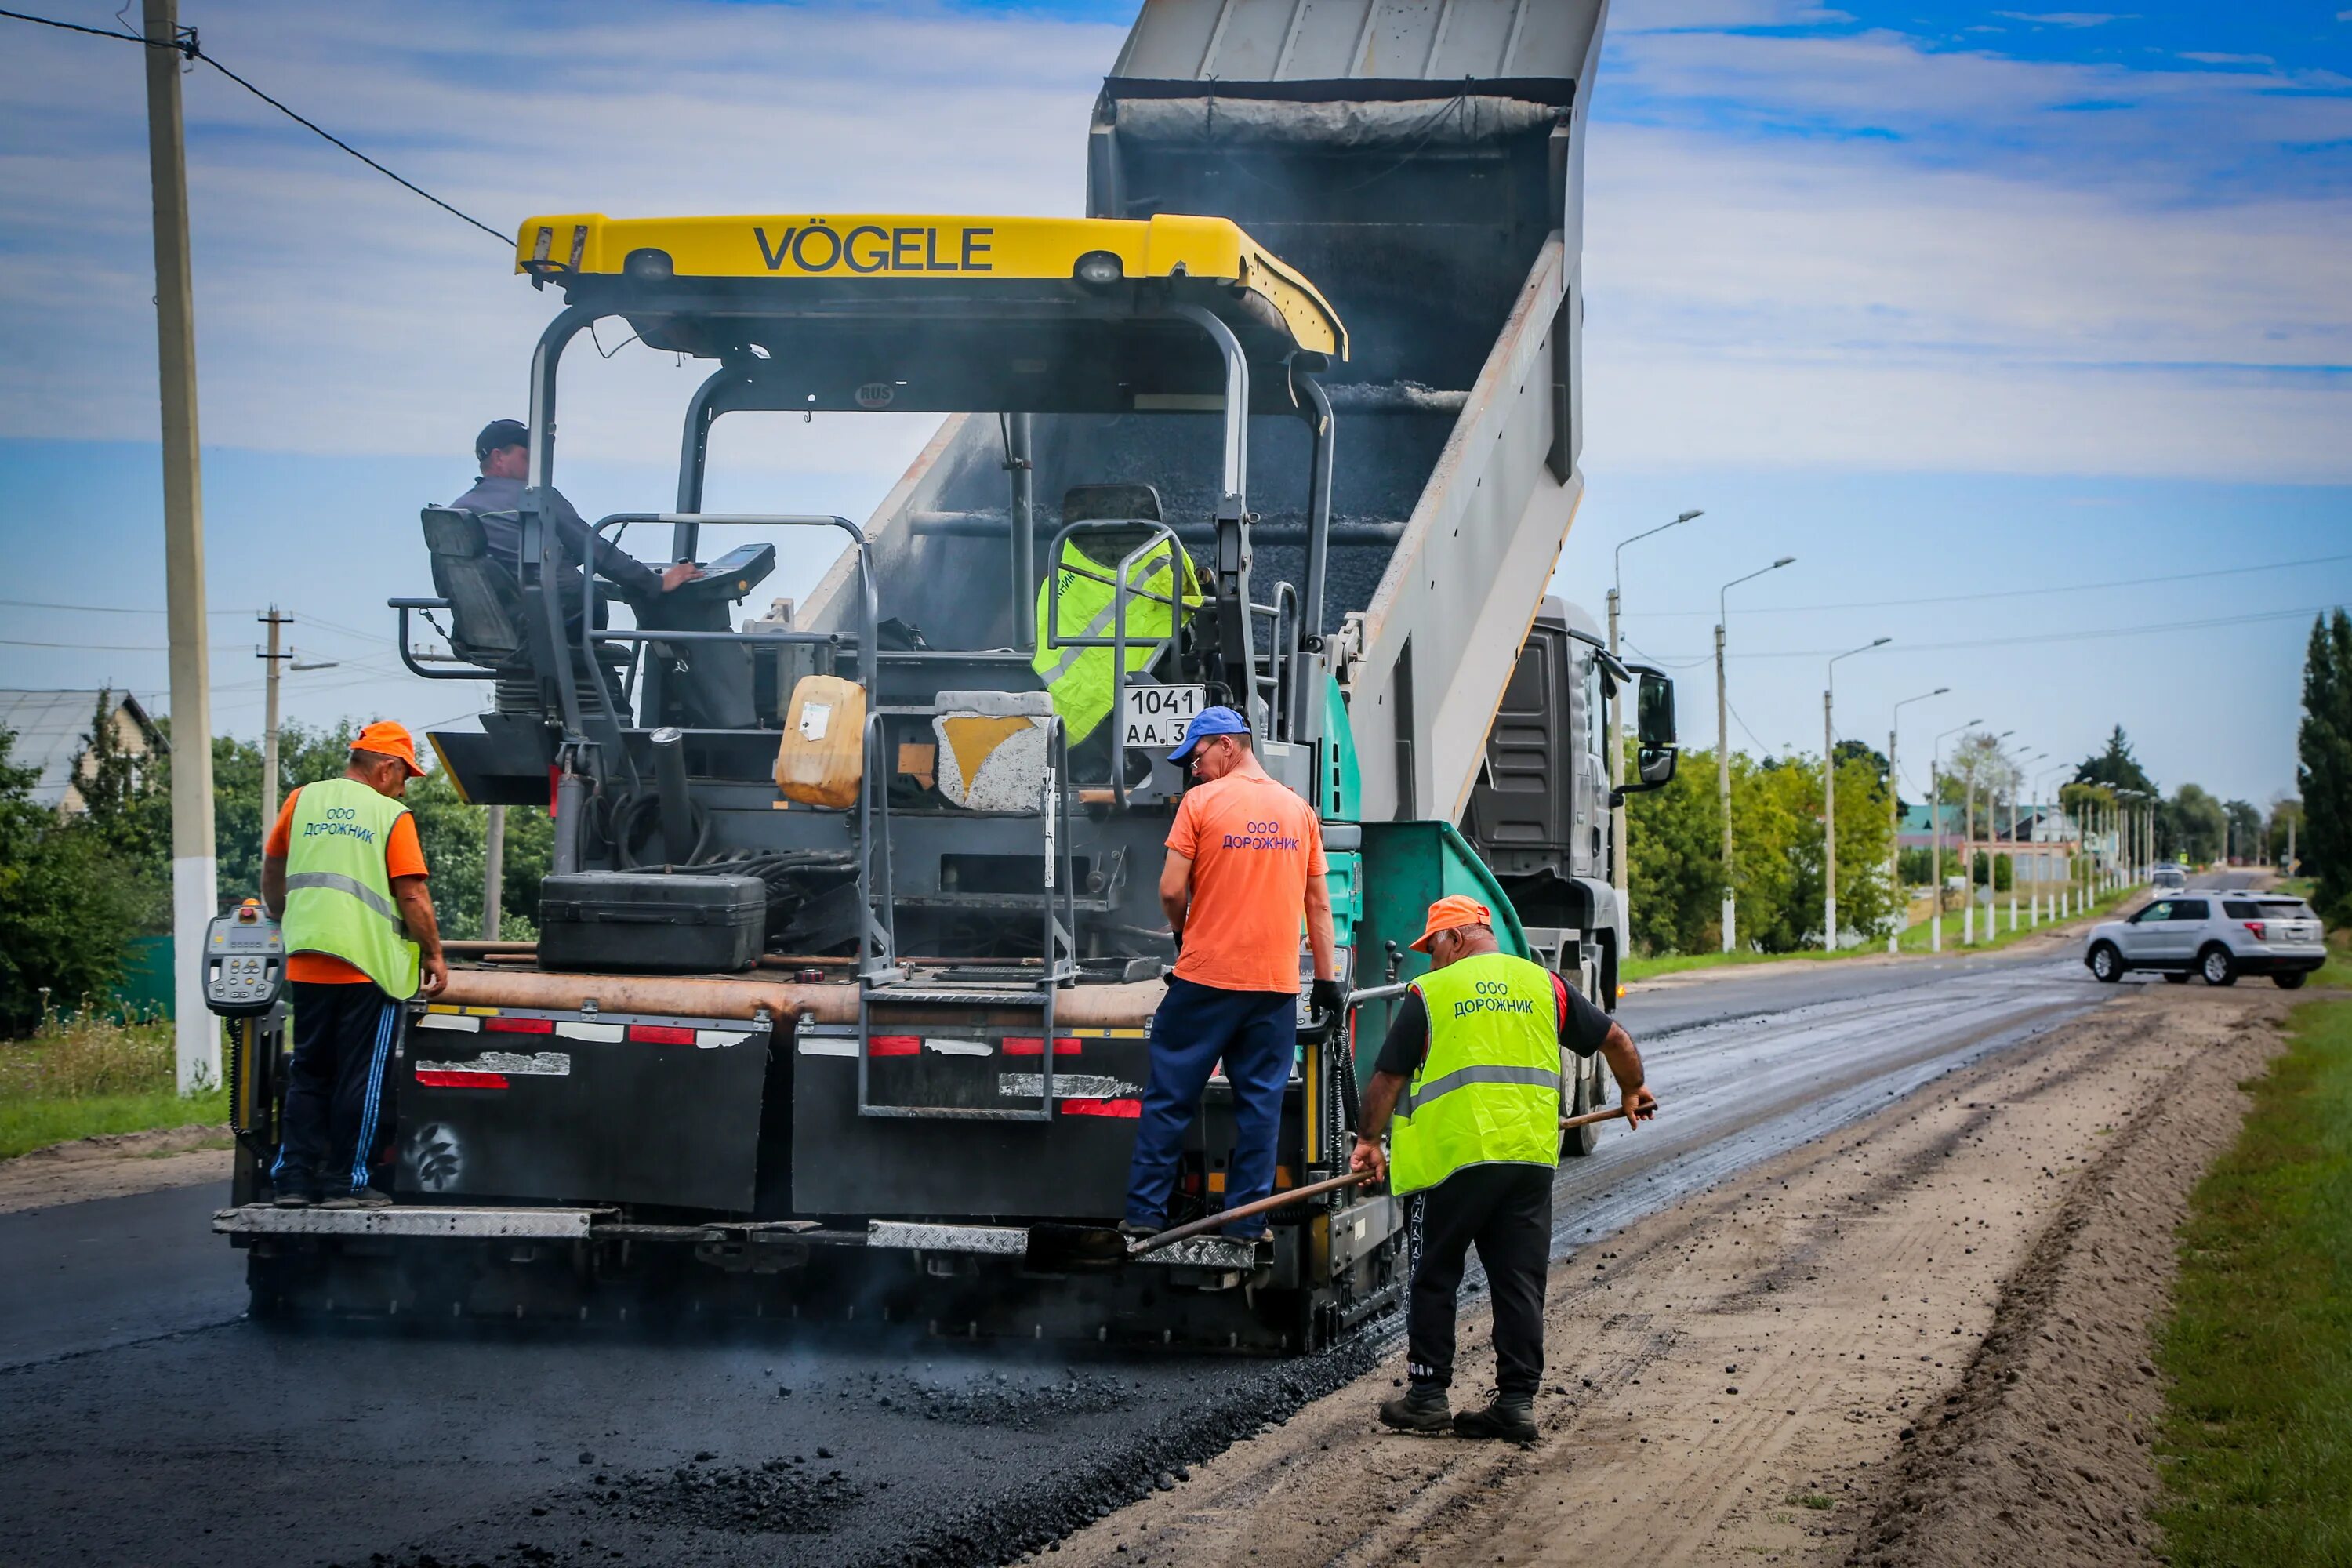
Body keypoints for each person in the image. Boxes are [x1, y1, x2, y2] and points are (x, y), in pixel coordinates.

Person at [1350, 895, 1657, 1442]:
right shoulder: (1544, 985)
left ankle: (1427, 1396)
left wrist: (1369, 1142)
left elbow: (1387, 1078)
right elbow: (1613, 1037)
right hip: (1528, 1162)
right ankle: (1516, 1404)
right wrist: (1633, 1087)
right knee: (1519, 1281)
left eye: (1433, 946)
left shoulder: (1434, 994)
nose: (1430, 959)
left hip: (1454, 1162)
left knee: (1434, 1274)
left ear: (1459, 938)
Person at [1122, 706, 1345, 1243]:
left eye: (1196, 757)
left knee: (1171, 1096)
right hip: (1274, 987)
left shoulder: (1201, 804)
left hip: (1206, 980)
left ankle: (1146, 1213)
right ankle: (1246, 1224)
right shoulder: (1298, 811)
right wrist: (1328, 981)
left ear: (1228, 745)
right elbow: (1318, 907)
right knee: (1260, 1108)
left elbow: (1172, 891)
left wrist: (1184, 933)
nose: (1193, 769)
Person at [260, 722, 450, 1209]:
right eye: (404, 774)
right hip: (367, 967)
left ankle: (295, 1182)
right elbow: (412, 893)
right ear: (386, 767)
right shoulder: (390, 814)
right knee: (360, 1078)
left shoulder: (300, 801)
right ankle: (346, 1182)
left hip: (307, 959)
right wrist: (432, 952)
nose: (405, 786)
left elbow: (274, 869)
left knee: (309, 1071)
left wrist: (284, 914)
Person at [449, 419, 699, 626]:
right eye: (527, 457)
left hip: (489, 623)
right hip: (557, 615)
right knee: (594, 600)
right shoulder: (534, 498)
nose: (535, 466)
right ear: (499, 458)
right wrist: (656, 582)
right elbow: (593, 549)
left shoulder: (459, 511)